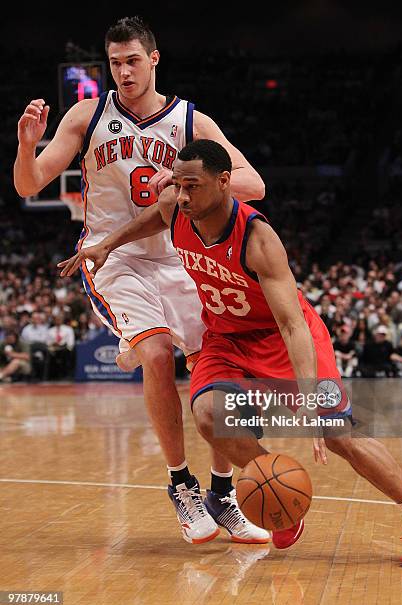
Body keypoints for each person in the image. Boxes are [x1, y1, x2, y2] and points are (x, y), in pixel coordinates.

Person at [58, 139, 402, 565]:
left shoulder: (258, 238)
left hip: (281, 337)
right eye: (178, 184)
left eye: (192, 186)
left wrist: (308, 395)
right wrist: (108, 244)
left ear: (224, 182)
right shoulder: (176, 207)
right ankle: (278, 493)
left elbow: (292, 324)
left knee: (339, 434)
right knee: (210, 415)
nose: (183, 195)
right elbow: (154, 217)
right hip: (226, 339)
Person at [14, 17, 267, 544]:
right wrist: (26, 145)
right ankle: (181, 483)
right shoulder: (89, 114)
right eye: (114, 63)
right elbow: (30, 181)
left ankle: (222, 491)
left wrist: (187, 179)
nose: (123, 72)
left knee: (216, 368)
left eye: (132, 61)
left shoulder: (191, 122)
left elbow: (253, 183)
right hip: (114, 258)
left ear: (154, 60)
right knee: (155, 355)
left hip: (178, 259)